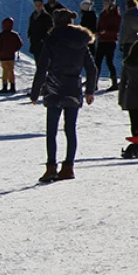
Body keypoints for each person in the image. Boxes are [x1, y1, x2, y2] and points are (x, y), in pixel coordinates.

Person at [29, 9, 97, 182]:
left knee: (52, 130)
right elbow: (92, 69)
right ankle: (68, 167)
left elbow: (42, 67)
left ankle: (51, 168)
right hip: (73, 88)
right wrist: (89, 91)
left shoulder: (52, 40)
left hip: (54, 88)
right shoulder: (81, 41)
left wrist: (35, 92)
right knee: (70, 129)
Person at [95, 0, 120, 91]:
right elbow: (99, 25)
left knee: (109, 62)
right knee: (97, 62)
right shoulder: (102, 14)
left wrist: (106, 32)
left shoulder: (115, 15)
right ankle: (94, 83)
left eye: (106, 4)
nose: (104, 6)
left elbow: (116, 29)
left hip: (110, 41)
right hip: (101, 40)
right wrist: (97, 32)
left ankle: (114, 83)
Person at [0, 17, 23, 93]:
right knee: (11, 71)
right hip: (11, 56)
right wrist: (14, 50)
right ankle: (12, 86)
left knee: (5, 72)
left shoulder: (1, 35)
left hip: (3, 57)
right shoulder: (14, 35)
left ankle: (4, 87)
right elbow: (19, 44)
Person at [27, 0, 53, 65]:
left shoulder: (46, 16)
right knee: (37, 59)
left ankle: (42, 74)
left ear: (42, 5)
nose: (37, 7)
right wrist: (29, 35)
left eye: (39, 5)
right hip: (34, 41)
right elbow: (31, 26)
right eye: (36, 5)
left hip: (43, 43)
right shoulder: (32, 16)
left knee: (43, 61)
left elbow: (51, 28)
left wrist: (45, 38)